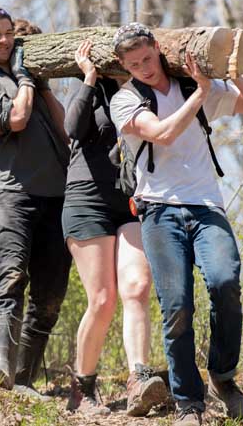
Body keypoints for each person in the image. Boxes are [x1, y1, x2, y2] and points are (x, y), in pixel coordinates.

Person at [108, 22, 243, 426]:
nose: (144, 67)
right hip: (159, 211)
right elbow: (161, 134)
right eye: (134, 64)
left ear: (159, 50)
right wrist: (200, 94)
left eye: (148, 58)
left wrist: (230, 74)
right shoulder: (126, 100)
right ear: (124, 67)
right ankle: (188, 404)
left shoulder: (191, 85)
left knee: (224, 282)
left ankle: (223, 376)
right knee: (177, 305)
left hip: (206, 207)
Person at [0, 4, 71, 392]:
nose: (4, 41)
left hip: (56, 194)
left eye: (9, 34)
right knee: (9, 278)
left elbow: (65, 129)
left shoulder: (33, 85)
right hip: (9, 192)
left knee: (51, 292)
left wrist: (39, 83)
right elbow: (16, 119)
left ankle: (25, 378)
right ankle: (0, 369)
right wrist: (22, 78)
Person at [63, 38, 167, 416]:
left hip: (128, 198)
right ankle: (82, 388)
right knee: (102, 300)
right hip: (85, 198)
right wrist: (89, 78)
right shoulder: (95, 88)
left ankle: (139, 379)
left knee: (138, 287)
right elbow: (73, 127)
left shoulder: (145, 91)